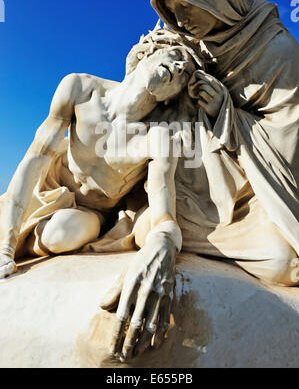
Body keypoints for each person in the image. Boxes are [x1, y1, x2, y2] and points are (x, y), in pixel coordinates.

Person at [0, 26, 203, 361]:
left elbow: (164, 208)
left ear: (173, 96)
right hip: (48, 190)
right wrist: (6, 244)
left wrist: (163, 241)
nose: (180, 68)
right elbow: (34, 159)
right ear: (147, 53)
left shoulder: (158, 137)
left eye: (186, 74)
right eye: (176, 56)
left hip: (93, 214)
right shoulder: (80, 88)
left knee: (63, 233)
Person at [150, 0, 299, 287]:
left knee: (284, 263)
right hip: (190, 173)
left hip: (259, 185)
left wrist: (226, 113)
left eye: (186, 5)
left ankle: (165, 227)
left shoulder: (278, 52)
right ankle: (160, 221)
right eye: (172, 11)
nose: (181, 20)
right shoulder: (188, 46)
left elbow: (291, 144)